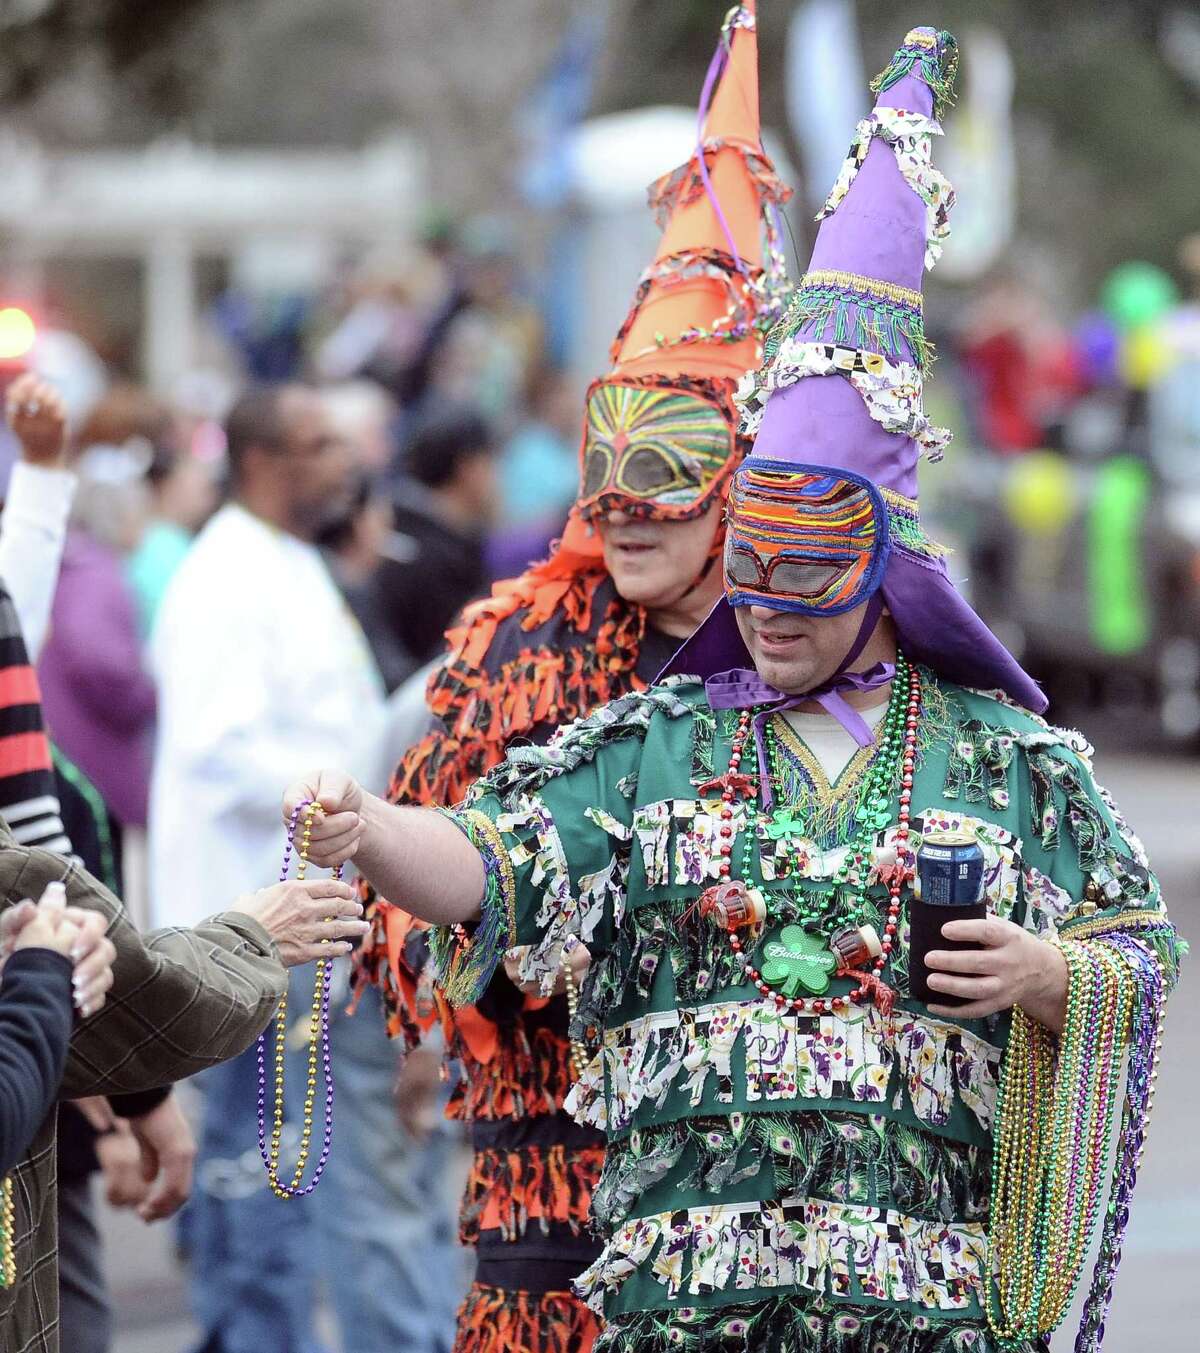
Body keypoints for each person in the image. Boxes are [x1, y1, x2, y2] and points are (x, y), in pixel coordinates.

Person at [292, 28, 1181, 1353]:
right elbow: (490, 861)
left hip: (920, 1319)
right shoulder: (646, 748)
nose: (761, 603)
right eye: (748, 563)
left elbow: (1141, 958)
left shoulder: (1012, 767)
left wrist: (1053, 971)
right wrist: (368, 832)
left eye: (803, 568)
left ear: (883, 567)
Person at [354, 5, 792, 1349]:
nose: (636, 505)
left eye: (677, 466)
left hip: (768, 1191)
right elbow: (415, 913)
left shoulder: (827, 649)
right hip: (556, 1178)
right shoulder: (509, 651)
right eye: (614, 467)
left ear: (747, 479)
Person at [150, 380, 450, 1353]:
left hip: (299, 932)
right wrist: (341, 797)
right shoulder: (226, 576)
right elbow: (217, 748)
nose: (348, 462)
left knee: (284, 1179)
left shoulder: (283, 561)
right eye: (322, 444)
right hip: (246, 938)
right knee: (255, 1184)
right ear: (264, 462)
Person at [379, 405, 498, 665]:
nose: (497, 478)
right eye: (492, 462)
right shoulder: (432, 563)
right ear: (469, 467)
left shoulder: (404, 532)